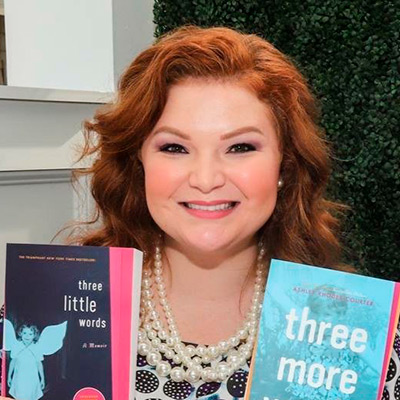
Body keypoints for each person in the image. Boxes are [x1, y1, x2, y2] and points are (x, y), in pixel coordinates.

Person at [73, 25, 398, 400]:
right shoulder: (58, 307)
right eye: (175, 148)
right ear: (138, 163)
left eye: (241, 147)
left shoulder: (360, 338)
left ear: (285, 165)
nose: (206, 179)